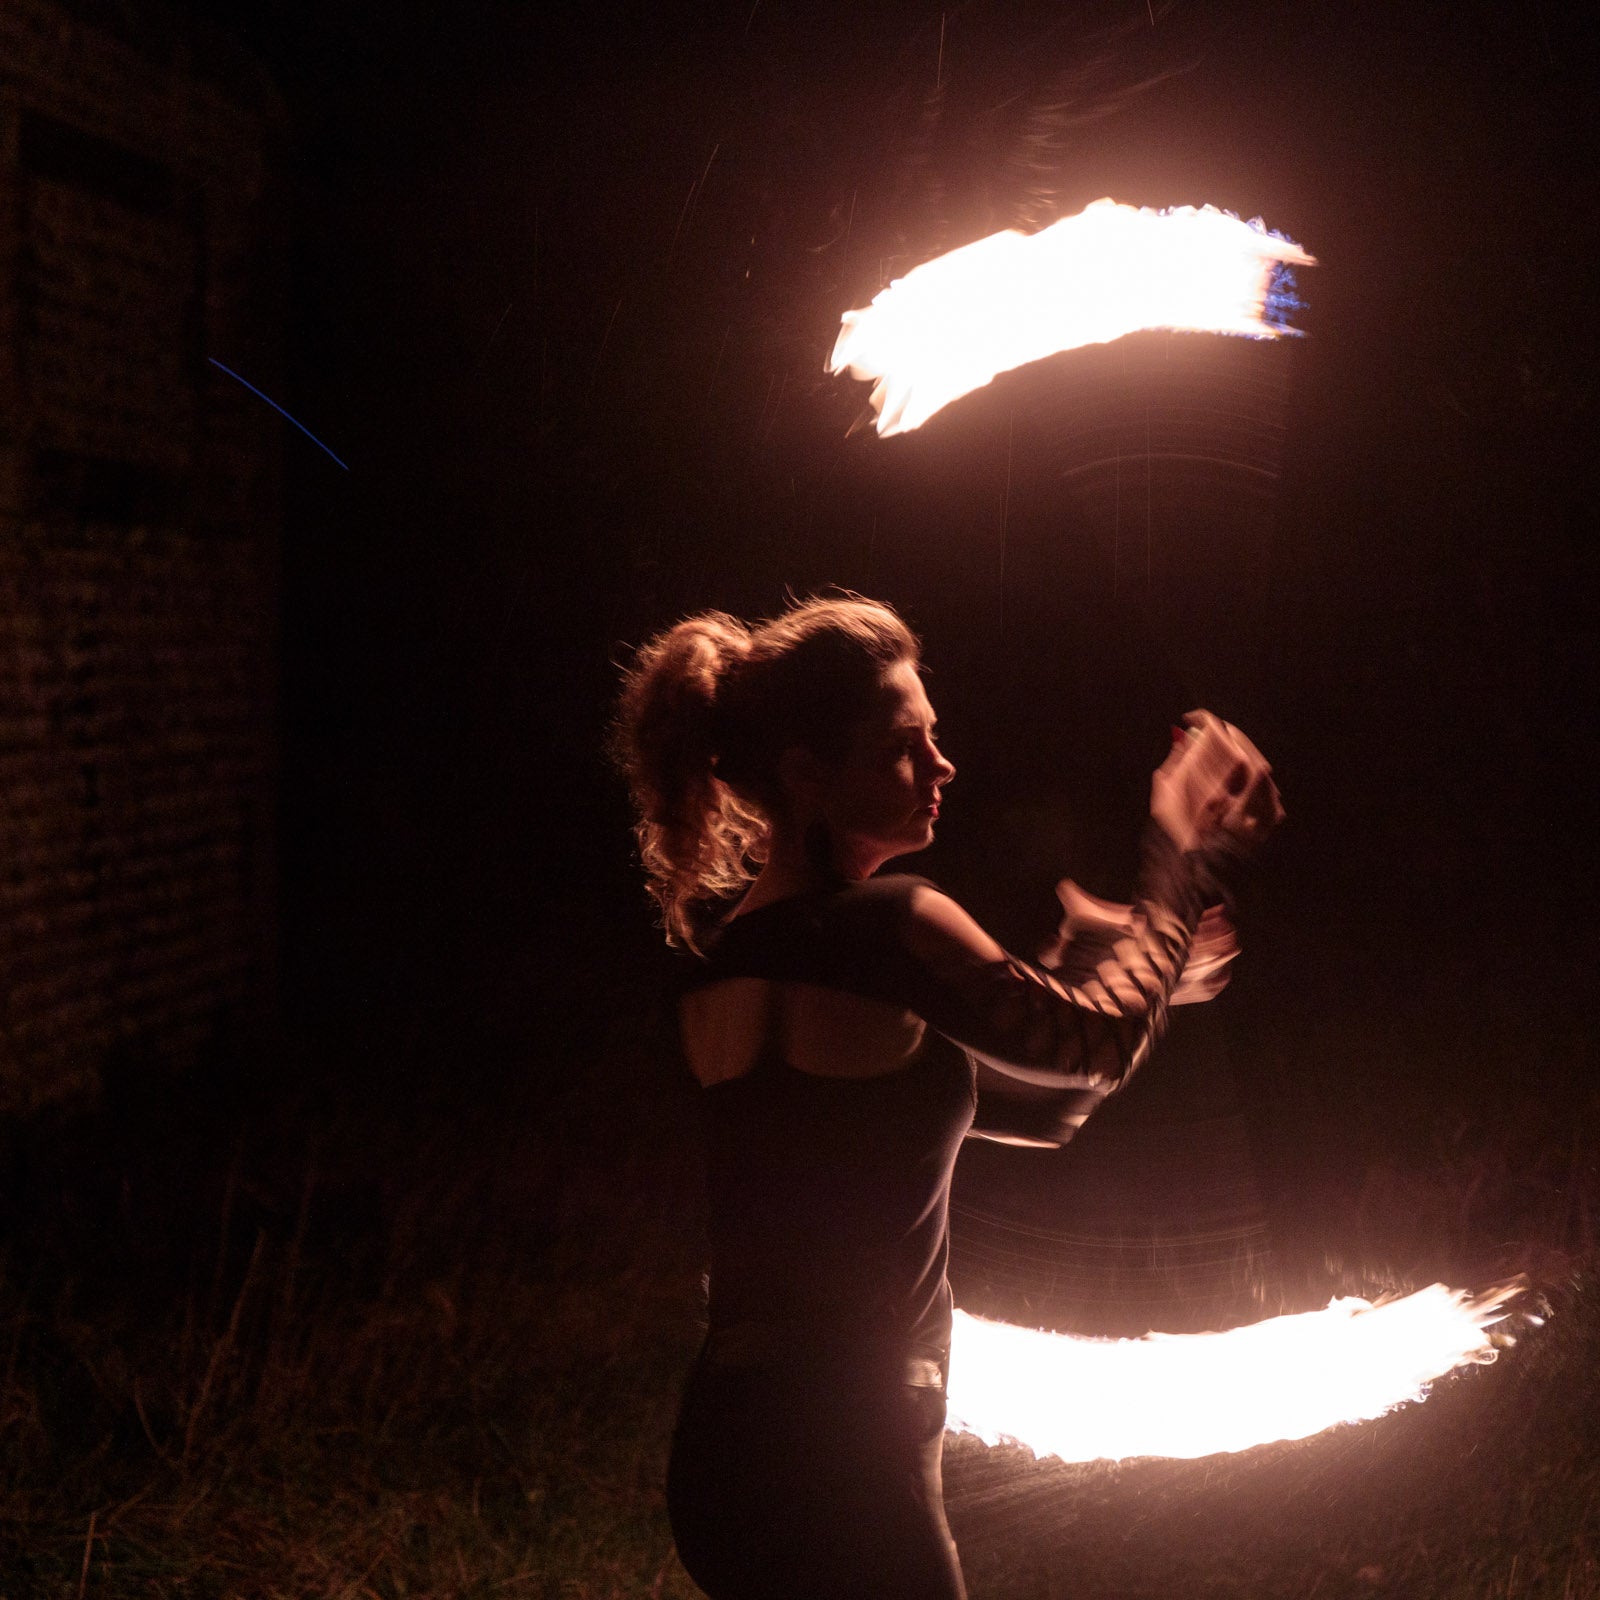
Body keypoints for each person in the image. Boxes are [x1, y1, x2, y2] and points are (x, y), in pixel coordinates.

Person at [611, 594, 1281, 1600]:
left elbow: (1041, 1102)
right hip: (845, 1453)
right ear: (806, 776)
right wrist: (1177, 865)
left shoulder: (717, 968)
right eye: (903, 744)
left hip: (726, 1449)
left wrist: (1082, 969)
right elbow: (1089, 1053)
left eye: (935, 737)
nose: (942, 765)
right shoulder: (895, 924)